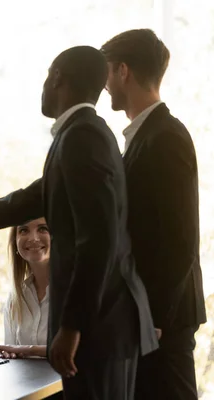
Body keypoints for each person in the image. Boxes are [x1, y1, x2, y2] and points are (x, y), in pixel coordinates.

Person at [0, 46, 158, 399]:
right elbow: (31, 198)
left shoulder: (82, 137)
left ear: (56, 77)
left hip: (99, 326)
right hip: (105, 322)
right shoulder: (81, 133)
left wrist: (71, 328)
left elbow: (98, 240)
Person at [101, 29, 206, 400]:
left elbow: (181, 240)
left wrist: (155, 315)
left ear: (123, 71)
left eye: (107, 74)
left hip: (164, 319)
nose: (104, 86)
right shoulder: (144, 137)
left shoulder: (166, 137)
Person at [0, 218, 50, 360]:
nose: (33, 238)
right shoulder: (15, 300)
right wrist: (7, 353)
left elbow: (91, 350)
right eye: (24, 230)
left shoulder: (79, 290)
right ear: (15, 242)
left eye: (43, 229)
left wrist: (30, 350)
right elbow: (12, 351)